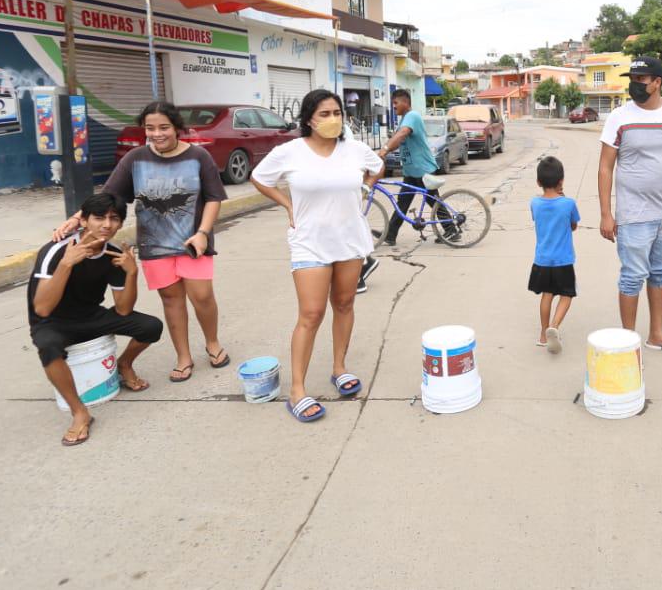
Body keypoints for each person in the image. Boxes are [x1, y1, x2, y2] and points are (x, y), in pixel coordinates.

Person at [54, 100, 229, 383]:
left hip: (193, 242)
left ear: (177, 128)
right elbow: (111, 194)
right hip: (154, 245)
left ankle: (212, 342)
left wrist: (203, 232)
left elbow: (213, 198)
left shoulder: (198, 156)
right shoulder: (135, 159)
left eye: (164, 127)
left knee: (202, 296)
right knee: (171, 300)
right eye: (150, 128)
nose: (157, 134)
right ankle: (183, 356)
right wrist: (77, 218)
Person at [251, 89, 383, 423]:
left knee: (344, 304)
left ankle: (339, 368)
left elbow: (377, 166)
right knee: (311, 314)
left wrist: (365, 188)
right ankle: (297, 390)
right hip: (309, 242)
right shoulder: (289, 152)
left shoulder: (355, 150)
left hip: (350, 239)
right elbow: (259, 178)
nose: (333, 120)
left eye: (337, 113)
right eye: (324, 114)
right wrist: (287, 204)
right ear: (308, 118)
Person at [30, 193, 164, 446]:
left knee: (150, 326)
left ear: (121, 224)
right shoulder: (55, 250)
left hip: (91, 316)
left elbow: (123, 310)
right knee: (48, 347)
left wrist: (132, 273)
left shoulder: (113, 253)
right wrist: (66, 265)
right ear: (84, 221)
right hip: (53, 321)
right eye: (99, 217)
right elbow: (43, 308)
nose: (106, 225)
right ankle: (79, 412)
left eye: (114, 219)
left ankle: (124, 365)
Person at [598, 56, 662, 355]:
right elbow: (605, 167)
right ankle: (628, 341)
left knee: (660, 274)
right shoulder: (619, 116)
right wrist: (606, 214)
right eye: (633, 80)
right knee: (632, 276)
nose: (635, 86)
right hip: (634, 215)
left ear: (657, 82)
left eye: (641, 80)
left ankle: (656, 334)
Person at [374, 88, 447, 258]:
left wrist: (384, 150)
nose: (393, 107)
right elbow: (398, 140)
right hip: (412, 171)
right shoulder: (404, 120)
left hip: (422, 169)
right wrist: (382, 151)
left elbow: (402, 134)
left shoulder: (411, 117)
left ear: (405, 102)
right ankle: (390, 235)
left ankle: (451, 228)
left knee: (433, 200)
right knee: (403, 203)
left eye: (395, 103)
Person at [529, 156, 580, 353]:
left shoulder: (535, 203)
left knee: (546, 294)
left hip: (542, 260)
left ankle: (543, 334)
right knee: (566, 295)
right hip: (563, 260)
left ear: (538, 182)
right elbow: (573, 225)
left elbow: (538, 219)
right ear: (561, 181)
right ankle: (554, 327)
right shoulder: (568, 203)